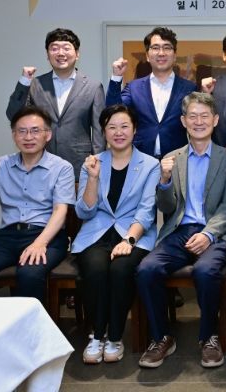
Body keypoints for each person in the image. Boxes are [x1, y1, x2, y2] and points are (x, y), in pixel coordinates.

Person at [136, 92, 226, 369]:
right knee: (147, 269)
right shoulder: (173, 158)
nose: (198, 121)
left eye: (204, 116)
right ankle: (161, 337)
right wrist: (165, 180)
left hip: (215, 232)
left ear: (215, 120)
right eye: (192, 116)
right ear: (183, 121)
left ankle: (209, 337)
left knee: (205, 271)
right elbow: (166, 207)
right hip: (180, 230)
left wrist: (208, 234)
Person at [71, 104, 160, 364]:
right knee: (96, 269)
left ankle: (115, 337)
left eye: (124, 126)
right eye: (112, 127)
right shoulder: (92, 163)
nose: (118, 132)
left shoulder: (150, 165)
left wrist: (129, 240)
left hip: (134, 233)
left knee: (121, 269)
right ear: (104, 131)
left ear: (134, 129)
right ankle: (97, 334)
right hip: (96, 232)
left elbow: (146, 210)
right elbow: (84, 211)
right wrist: (93, 178)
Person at [0, 106, 74, 302]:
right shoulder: (1, 165)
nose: (28, 137)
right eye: (22, 131)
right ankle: (3, 318)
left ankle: (29, 323)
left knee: (29, 274)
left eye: (35, 131)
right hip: (6, 237)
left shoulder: (61, 167)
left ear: (47, 135)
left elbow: (60, 211)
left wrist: (39, 243)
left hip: (46, 236)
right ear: (14, 136)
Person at [6, 28, 105, 178]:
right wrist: (24, 81)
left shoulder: (93, 87)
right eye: (54, 48)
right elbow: (13, 115)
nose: (60, 53)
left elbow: (99, 131)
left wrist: (97, 163)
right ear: (47, 55)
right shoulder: (35, 84)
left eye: (66, 48)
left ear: (77, 54)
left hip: (80, 165)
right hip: (41, 163)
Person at [106, 26, 197, 159]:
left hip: (177, 160)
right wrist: (116, 78)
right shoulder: (134, 87)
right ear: (147, 56)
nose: (161, 53)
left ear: (174, 55)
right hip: (139, 160)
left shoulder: (189, 88)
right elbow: (112, 112)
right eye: (155, 48)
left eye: (167, 48)